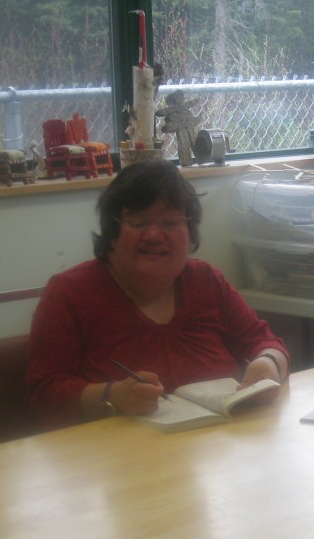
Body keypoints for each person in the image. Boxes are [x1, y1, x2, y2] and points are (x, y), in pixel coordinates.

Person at [28, 159, 289, 430]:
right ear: (112, 233)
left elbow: (264, 340)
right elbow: (45, 393)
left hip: (214, 452)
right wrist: (111, 395)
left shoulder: (206, 281)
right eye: (138, 222)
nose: (153, 234)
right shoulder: (69, 293)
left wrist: (268, 363)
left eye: (170, 221)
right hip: (115, 459)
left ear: (190, 233)